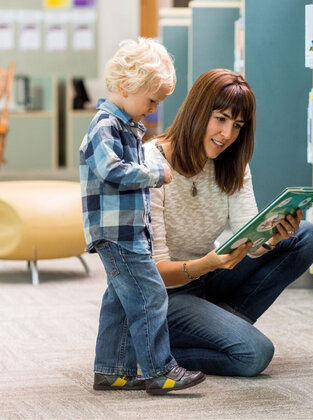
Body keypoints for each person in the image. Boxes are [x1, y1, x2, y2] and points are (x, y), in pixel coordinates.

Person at [144, 68, 313, 377]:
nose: (227, 134)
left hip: (205, 276)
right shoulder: (152, 165)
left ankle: (223, 321)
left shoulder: (232, 164)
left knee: (306, 236)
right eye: (221, 118)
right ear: (199, 111)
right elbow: (157, 273)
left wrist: (272, 238)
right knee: (253, 355)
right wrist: (206, 265)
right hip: (166, 294)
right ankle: (152, 349)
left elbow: (249, 244)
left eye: (237, 125)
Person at [79, 37, 205, 394]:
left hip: (129, 231)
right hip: (116, 232)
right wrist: (154, 174)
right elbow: (112, 171)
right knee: (150, 295)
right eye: (151, 101)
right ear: (125, 87)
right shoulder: (105, 126)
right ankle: (158, 370)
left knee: (121, 299)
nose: (152, 110)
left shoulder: (128, 128)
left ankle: (112, 370)